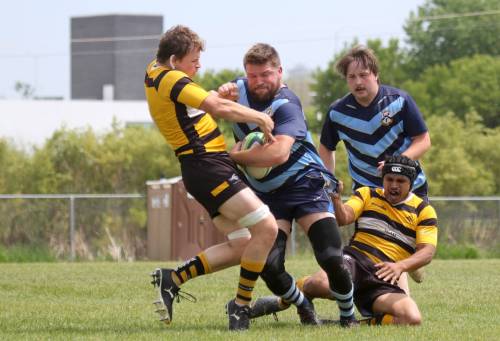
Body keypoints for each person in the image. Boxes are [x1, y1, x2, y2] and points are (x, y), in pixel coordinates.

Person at [144, 25, 279, 331]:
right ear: (175, 59)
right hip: (207, 166)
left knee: (244, 243)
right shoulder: (171, 78)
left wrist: (216, 95)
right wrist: (258, 116)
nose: (199, 66)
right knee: (267, 228)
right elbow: (215, 107)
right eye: (194, 59)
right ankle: (241, 308)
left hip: (204, 167)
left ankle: (173, 278)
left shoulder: (155, 70)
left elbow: (195, 109)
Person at [218, 43, 357, 327]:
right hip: (269, 195)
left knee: (330, 257)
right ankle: (303, 305)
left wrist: (234, 155)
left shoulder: (286, 104)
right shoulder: (238, 90)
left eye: (266, 74)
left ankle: (348, 317)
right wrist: (218, 93)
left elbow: (278, 154)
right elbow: (209, 102)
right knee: (268, 265)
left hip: (306, 186)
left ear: (279, 72)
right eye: (253, 75)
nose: (258, 81)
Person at [252, 155, 438, 325]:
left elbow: (427, 252)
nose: (394, 185)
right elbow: (343, 218)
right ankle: (287, 298)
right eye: (389, 179)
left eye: (401, 181)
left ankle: (346, 324)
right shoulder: (367, 194)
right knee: (321, 284)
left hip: (385, 276)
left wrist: (400, 267)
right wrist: (336, 199)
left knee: (411, 318)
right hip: (355, 262)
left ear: (411, 184)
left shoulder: (423, 210)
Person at [319, 45, 431, 201]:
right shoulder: (337, 112)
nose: (358, 82)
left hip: (411, 188)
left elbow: (423, 140)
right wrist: (328, 182)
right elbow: (326, 148)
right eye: (351, 77)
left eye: (363, 75)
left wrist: (394, 164)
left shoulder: (399, 101)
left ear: (376, 74)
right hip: (366, 194)